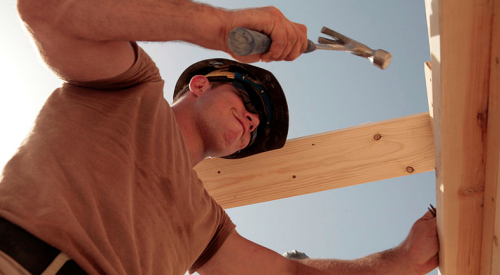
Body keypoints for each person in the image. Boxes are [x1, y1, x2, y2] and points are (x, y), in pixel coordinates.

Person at [0, 0, 439, 274]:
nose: (252, 122)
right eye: (248, 101)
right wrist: (221, 25)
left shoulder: (205, 222)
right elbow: (45, 8)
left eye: (257, 130)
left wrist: (402, 261)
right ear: (200, 84)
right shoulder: (131, 88)